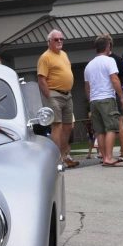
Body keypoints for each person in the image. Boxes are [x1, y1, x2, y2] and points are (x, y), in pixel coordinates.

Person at [37, 29, 78, 168]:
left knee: (68, 126)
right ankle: (56, 159)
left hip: (67, 94)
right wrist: (49, 96)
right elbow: (41, 79)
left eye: (61, 39)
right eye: (56, 39)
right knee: (57, 125)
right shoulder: (45, 57)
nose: (59, 41)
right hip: (53, 94)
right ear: (49, 42)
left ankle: (64, 155)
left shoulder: (64, 54)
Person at [84, 35, 123, 167]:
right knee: (111, 128)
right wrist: (121, 96)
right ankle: (109, 157)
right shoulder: (109, 61)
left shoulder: (89, 65)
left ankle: (103, 157)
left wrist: (90, 100)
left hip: (94, 100)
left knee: (100, 131)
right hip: (107, 98)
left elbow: (87, 87)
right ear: (108, 46)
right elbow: (114, 79)